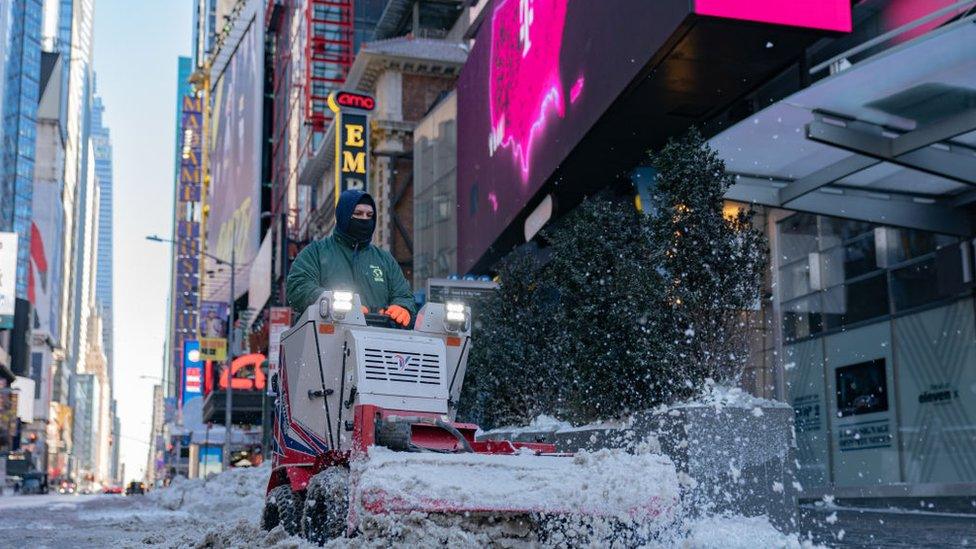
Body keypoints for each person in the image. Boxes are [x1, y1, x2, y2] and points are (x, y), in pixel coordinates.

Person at [286, 189, 416, 326]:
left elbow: (403, 293)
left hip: (377, 340)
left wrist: (402, 306)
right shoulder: (316, 252)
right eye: (358, 214)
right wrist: (333, 301)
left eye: (369, 215)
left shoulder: (384, 260)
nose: (365, 219)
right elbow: (298, 286)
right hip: (327, 336)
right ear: (344, 215)